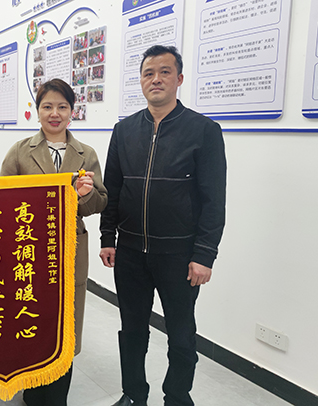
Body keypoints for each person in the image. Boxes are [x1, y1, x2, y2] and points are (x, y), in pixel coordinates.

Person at [99, 45, 226, 406]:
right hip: (130, 253)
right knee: (132, 332)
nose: (156, 79)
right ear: (141, 81)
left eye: (165, 72)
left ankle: (177, 397)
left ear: (179, 79)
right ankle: (133, 394)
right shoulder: (124, 131)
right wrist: (108, 237)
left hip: (179, 256)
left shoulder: (203, 130)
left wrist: (205, 255)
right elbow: (113, 188)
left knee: (182, 336)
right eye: (148, 73)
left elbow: (214, 200)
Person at [0, 78, 108, 406]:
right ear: (38, 111)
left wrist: (84, 196)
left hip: (70, 249)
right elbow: (2, 200)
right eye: (47, 106)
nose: (54, 113)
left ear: (72, 111)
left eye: (62, 106)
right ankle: (33, 392)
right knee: (32, 316)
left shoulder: (85, 154)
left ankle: (58, 396)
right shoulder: (20, 151)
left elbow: (100, 202)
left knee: (66, 322)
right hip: (28, 249)